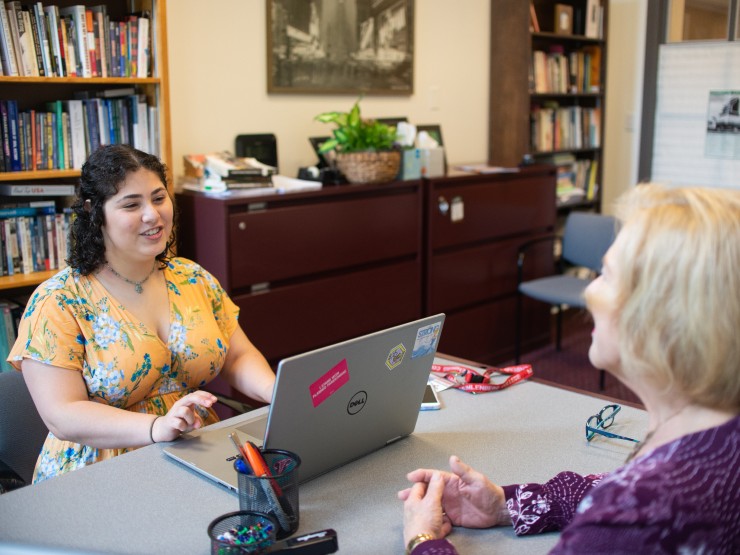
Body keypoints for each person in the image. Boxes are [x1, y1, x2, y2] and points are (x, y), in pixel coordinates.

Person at [399, 185, 740, 554]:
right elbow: (610, 489)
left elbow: (631, 511)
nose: (589, 292)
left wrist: (424, 540)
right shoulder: (715, 438)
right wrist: (505, 505)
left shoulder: (639, 518)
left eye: (607, 276)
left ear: (665, 319)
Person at [8, 144, 276, 484]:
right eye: (132, 204)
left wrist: (277, 392)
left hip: (193, 451)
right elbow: (63, 414)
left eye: (159, 198)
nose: (152, 214)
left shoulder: (191, 277)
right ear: (95, 212)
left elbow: (236, 356)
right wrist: (156, 427)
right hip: (97, 471)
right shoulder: (58, 301)